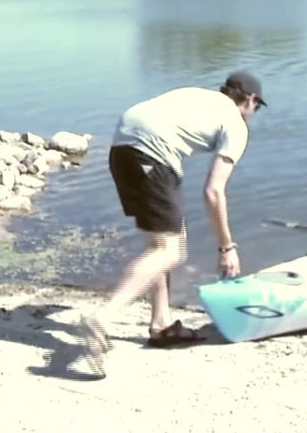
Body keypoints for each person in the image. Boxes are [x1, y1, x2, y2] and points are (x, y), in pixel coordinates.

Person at [78, 71, 266, 377]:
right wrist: (226, 247)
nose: (253, 114)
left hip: (120, 148)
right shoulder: (236, 123)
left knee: (164, 243)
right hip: (153, 153)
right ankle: (102, 317)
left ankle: (161, 324)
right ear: (250, 100)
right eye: (256, 108)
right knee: (170, 252)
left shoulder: (198, 96)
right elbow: (213, 191)